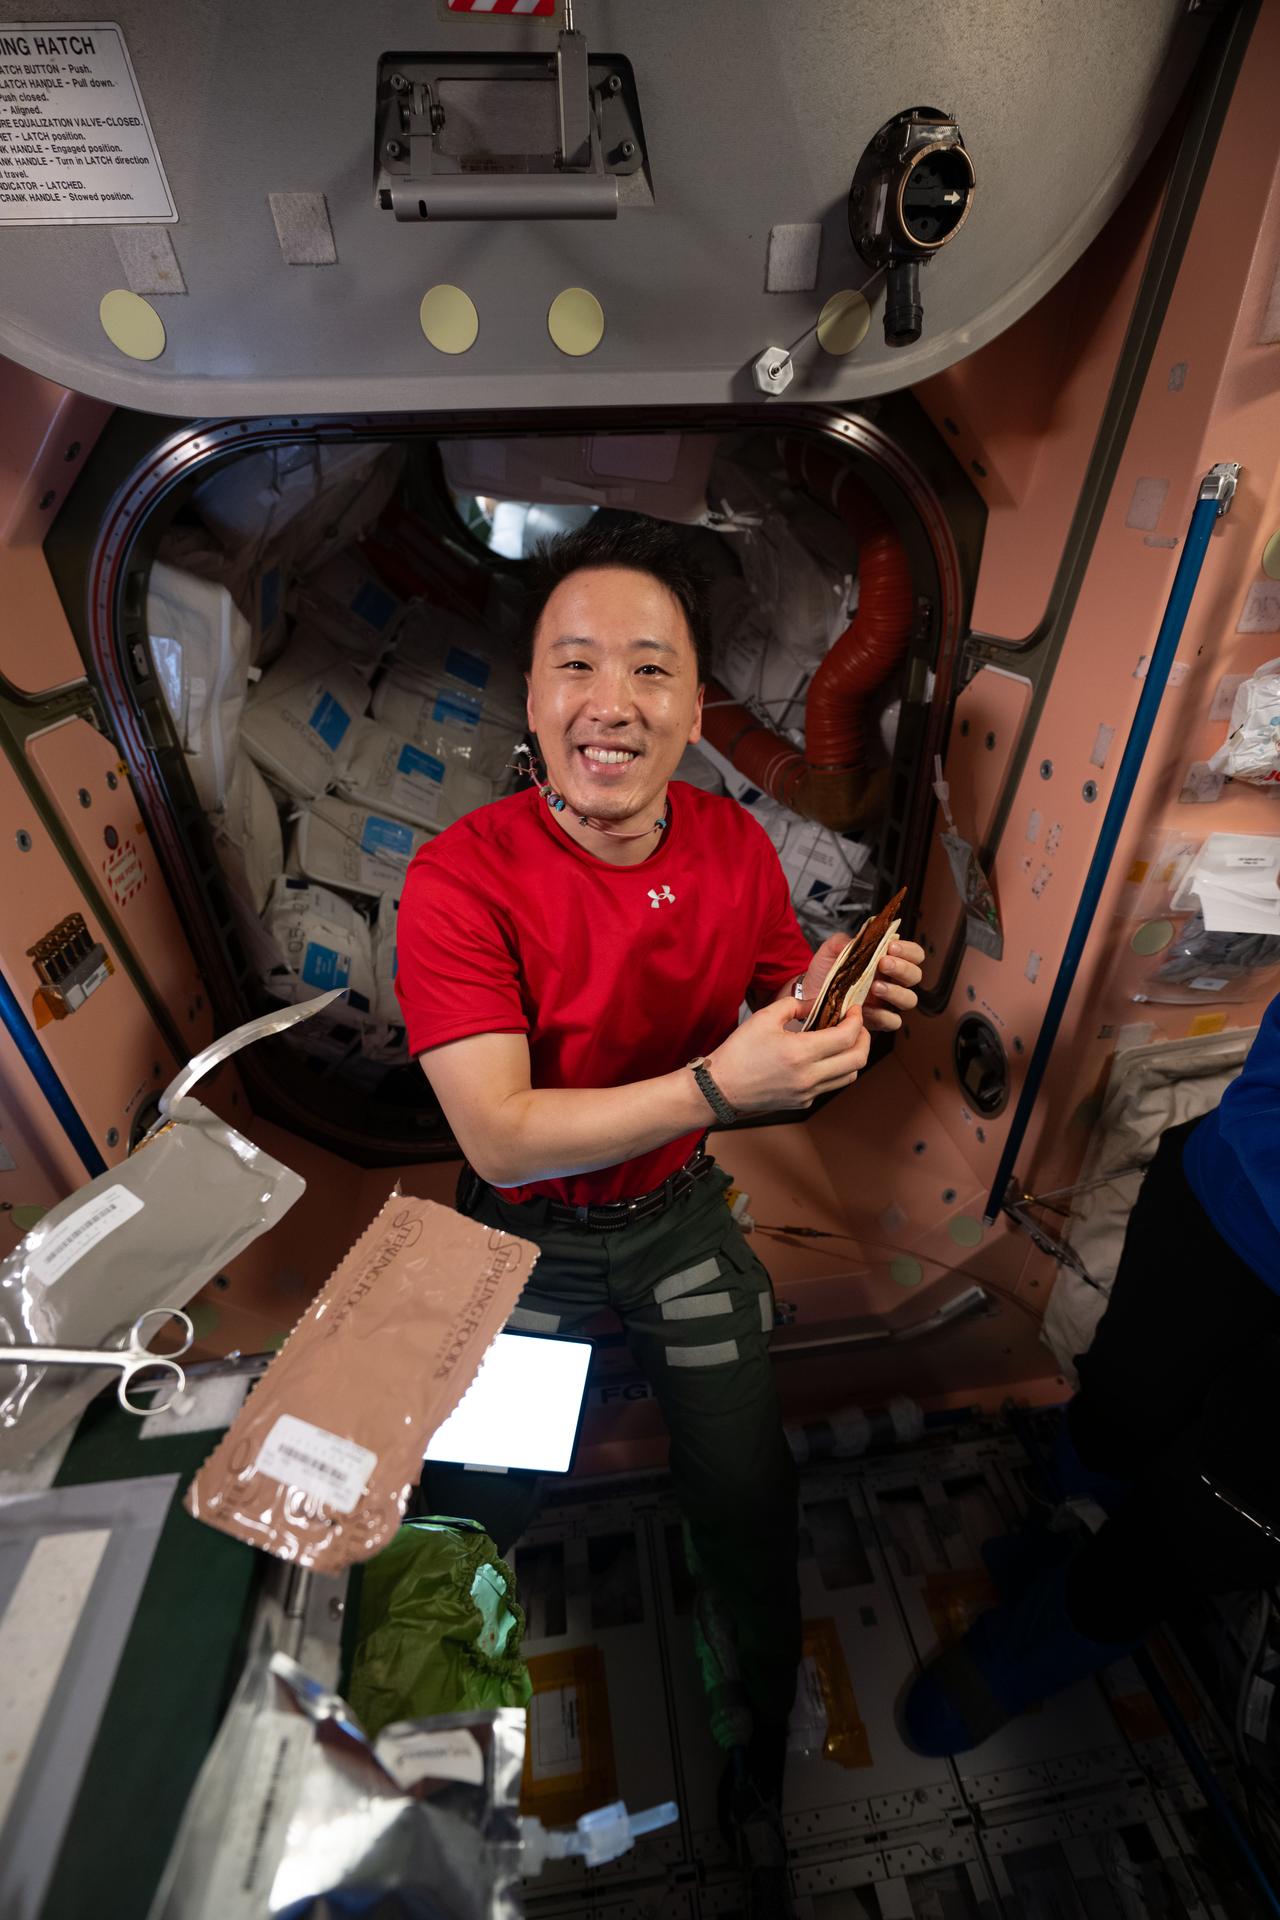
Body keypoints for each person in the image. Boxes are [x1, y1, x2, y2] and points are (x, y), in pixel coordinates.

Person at [395, 516, 924, 1916]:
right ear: (533, 698)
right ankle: (424, 1792)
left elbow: (780, 1040)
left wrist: (837, 1018)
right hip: (529, 1246)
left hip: (682, 1220)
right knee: (469, 1513)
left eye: (648, 669)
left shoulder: (737, 849)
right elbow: (500, 1135)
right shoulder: (460, 881)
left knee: (746, 1494)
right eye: (575, 665)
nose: (610, 702)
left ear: (696, 709)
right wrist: (716, 1082)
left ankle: (757, 1769)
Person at [903, 990, 1280, 1756]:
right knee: (1119, 1407)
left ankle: (1024, 1656)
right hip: (1234, 1192)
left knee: (1198, 1529)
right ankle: (1056, 1532)